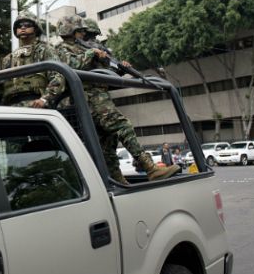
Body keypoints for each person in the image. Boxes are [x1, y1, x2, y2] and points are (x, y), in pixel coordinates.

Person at [54, 14, 180, 184]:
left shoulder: (84, 48)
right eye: (80, 31)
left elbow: (105, 74)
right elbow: (71, 66)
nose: (84, 35)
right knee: (123, 126)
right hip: (89, 98)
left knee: (108, 144)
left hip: (100, 96)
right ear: (70, 31)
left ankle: (119, 180)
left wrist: (118, 68)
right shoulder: (62, 48)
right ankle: (150, 168)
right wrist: (93, 53)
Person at [0, 12, 65, 108]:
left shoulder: (44, 50)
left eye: (27, 25)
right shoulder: (8, 58)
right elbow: (1, 87)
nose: (23, 28)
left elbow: (58, 77)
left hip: (35, 104)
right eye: (19, 26)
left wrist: (44, 99)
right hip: (11, 107)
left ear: (36, 28)